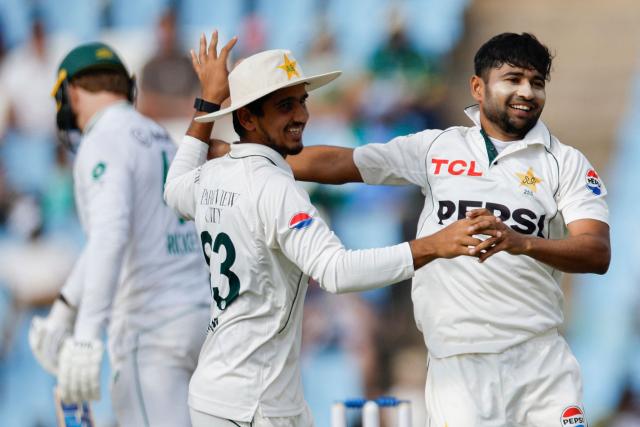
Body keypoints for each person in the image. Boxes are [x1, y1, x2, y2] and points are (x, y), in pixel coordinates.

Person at [163, 32, 503, 427]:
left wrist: (207, 103)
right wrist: (433, 246)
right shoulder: (274, 188)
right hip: (253, 405)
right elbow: (337, 272)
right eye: (284, 105)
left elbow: (174, 190)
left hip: (232, 394)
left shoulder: (213, 175)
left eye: (302, 101)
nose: (302, 116)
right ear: (247, 117)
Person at [287, 32, 611, 426]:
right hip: (457, 366)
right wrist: (245, 155)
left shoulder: (566, 163)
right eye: (513, 79)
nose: (527, 91)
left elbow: (596, 251)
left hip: (540, 365)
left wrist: (522, 243)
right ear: (478, 86)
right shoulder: (437, 148)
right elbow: (341, 164)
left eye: (536, 82)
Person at [28, 42, 211, 427]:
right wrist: (63, 312)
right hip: (200, 321)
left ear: (72, 93)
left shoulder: (102, 142)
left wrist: (86, 336)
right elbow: (109, 238)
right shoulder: (158, 134)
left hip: (152, 332)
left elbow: (110, 234)